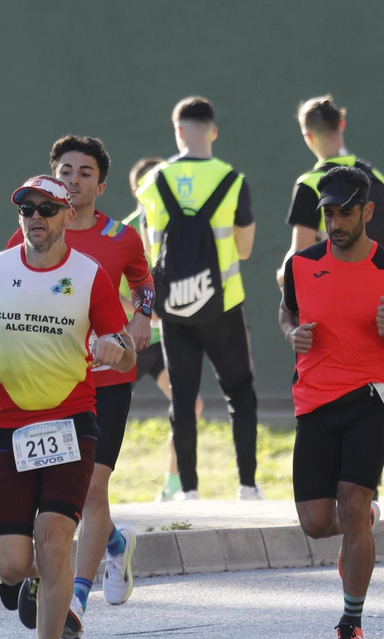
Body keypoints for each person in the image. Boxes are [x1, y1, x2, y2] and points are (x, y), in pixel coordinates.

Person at [0, 175, 134, 639]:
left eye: (47, 209)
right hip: (11, 425)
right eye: (27, 210)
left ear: (65, 215)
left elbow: (124, 348)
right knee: (9, 561)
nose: (35, 218)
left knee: (54, 545)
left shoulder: (89, 275)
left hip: (71, 424)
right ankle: (36, 581)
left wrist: (111, 349)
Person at [279, 166, 384, 639]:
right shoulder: (301, 266)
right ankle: (363, 520)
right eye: (328, 212)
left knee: (350, 499)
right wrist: (292, 335)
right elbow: (288, 313)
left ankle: (350, 622)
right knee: (315, 521)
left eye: (345, 211)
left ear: (367, 212)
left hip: (371, 399)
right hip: (314, 401)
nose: (335, 221)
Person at [7, 136, 154, 630]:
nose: (73, 180)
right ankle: (116, 542)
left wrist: (142, 319)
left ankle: (75, 601)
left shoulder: (122, 238)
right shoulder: (29, 234)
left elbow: (144, 284)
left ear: (100, 184)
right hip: (49, 380)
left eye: (84, 172)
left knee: (93, 488)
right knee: (53, 489)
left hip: (109, 378)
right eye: (65, 170)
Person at [134, 97, 260, 503]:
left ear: (178, 131)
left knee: (183, 399)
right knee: (239, 392)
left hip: (172, 309)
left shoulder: (153, 182)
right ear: (213, 130)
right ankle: (247, 485)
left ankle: (187, 489)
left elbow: (147, 247)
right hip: (223, 304)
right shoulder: (233, 179)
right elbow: (244, 249)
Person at [123, 157, 203, 502]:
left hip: (160, 345)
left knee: (191, 405)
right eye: (148, 185)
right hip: (126, 341)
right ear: (135, 190)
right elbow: (108, 295)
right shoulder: (124, 234)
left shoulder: (177, 228)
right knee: (95, 413)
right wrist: (143, 311)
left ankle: (174, 486)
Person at [284, 96, 384, 264]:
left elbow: (299, 257)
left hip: (333, 286)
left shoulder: (309, 184)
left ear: (308, 136)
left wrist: (282, 275)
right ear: (342, 124)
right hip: (381, 286)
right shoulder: (378, 178)